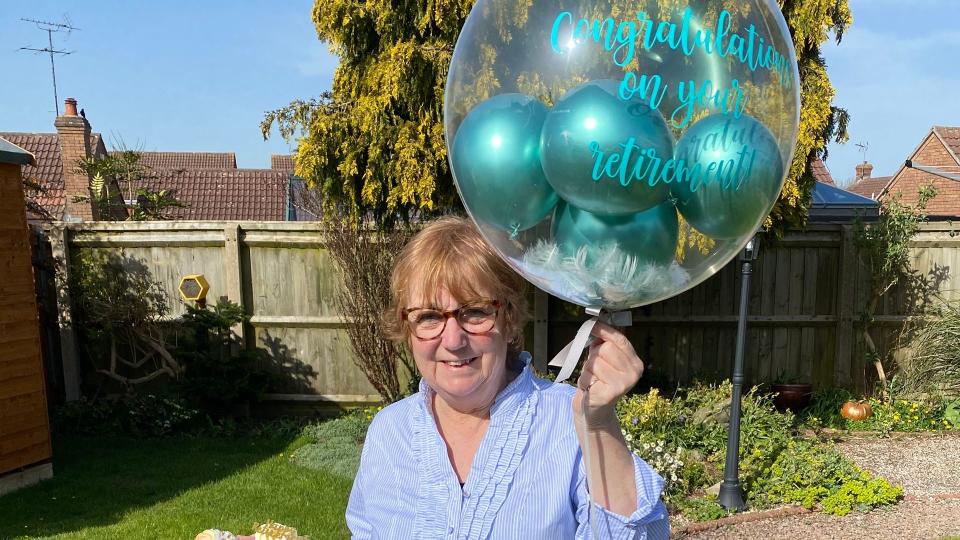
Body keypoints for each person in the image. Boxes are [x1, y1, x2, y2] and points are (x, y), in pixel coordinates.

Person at [346, 216, 669, 539]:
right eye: (429, 317)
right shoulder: (389, 434)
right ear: (407, 326)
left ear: (510, 319)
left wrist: (598, 425)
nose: (454, 340)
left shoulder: (566, 423)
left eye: (475, 312)